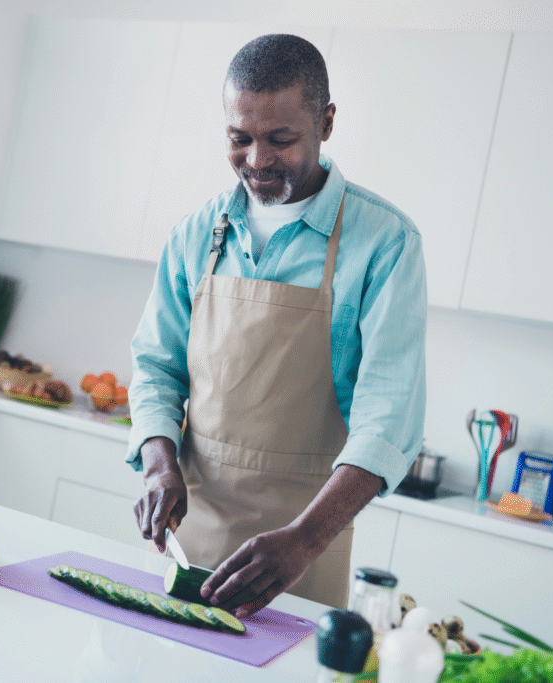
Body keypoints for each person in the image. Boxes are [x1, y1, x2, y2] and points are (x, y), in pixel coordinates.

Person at [127, 33, 426, 617]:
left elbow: (389, 417)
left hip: (302, 556)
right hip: (188, 540)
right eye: (240, 139)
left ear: (327, 122)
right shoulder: (195, 233)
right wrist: (159, 465)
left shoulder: (385, 242)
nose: (258, 161)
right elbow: (156, 366)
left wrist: (307, 540)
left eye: (281, 140)